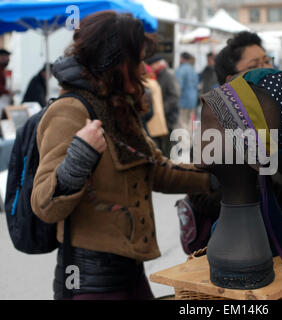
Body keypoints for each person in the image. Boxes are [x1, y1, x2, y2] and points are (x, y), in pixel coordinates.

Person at [31, 11, 212, 300]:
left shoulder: (117, 105)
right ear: (114, 62)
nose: (143, 68)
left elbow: (156, 169)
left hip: (131, 271)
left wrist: (217, 178)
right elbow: (44, 204)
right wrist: (80, 156)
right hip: (90, 283)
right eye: (137, 60)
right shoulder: (69, 111)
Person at [180, 31, 282, 254]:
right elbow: (198, 192)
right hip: (239, 243)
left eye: (267, 60)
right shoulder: (215, 127)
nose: (268, 69)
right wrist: (244, 194)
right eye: (255, 64)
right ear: (231, 80)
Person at [147, 56, 180, 156]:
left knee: (167, 145)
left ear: (157, 64)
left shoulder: (167, 76)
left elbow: (174, 96)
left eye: (152, 65)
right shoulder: (158, 76)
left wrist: (162, 110)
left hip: (168, 116)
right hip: (162, 116)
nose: (151, 68)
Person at [175, 52, 199, 149]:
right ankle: (190, 145)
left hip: (183, 100)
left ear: (181, 59)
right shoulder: (193, 70)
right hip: (192, 101)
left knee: (181, 123)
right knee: (189, 123)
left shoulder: (180, 70)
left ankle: (183, 147)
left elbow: (177, 87)